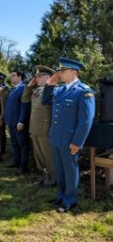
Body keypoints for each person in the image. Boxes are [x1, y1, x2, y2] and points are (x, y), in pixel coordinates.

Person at [42, 57, 95, 213]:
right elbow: (45, 101)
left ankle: (70, 200)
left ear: (73, 72)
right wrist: (50, 84)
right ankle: (61, 196)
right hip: (56, 138)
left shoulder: (84, 91)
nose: (60, 73)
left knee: (70, 170)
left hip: (70, 140)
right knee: (59, 169)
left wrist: (78, 142)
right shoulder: (59, 89)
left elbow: (86, 120)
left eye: (63, 71)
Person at [22, 65, 56, 186]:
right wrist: (29, 86)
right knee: (39, 155)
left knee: (48, 156)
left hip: (45, 129)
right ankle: (43, 176)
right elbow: (25, 99)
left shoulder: (52, 90)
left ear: (48, 77)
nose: (36, 78)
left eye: (39, 76)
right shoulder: (36, 90)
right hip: (34, 128)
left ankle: (52, 179)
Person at [4, 71, 30, 174]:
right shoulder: (13, 89)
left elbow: (24, 106)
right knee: (14, 143)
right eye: (11, 76)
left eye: (13, 76)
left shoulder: (23, 88)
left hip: (18, 123)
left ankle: (23, 167)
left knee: (22, 144)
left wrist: (21, 121)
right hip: (11, 121)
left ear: (20, 77)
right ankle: (16, 160)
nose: (11, 78)